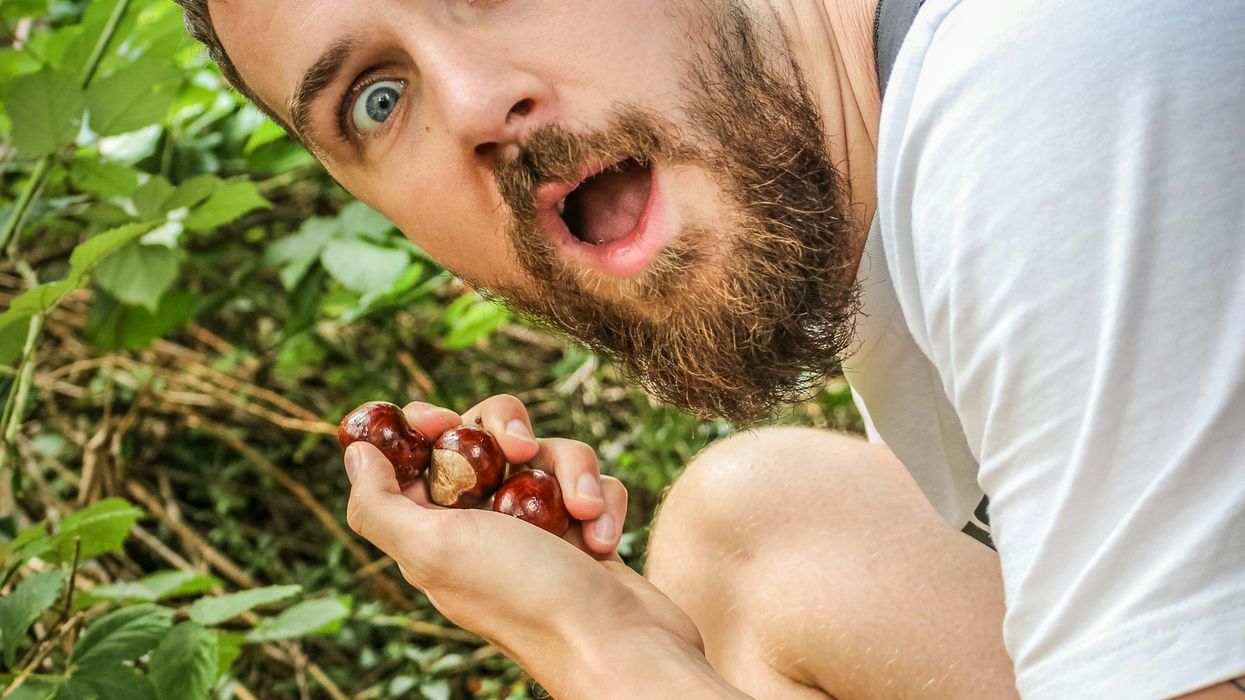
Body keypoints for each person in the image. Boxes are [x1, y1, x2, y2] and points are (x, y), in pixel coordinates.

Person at [174, 0, 1245, 697]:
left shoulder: (1050, 92)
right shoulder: (885, 161)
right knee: (755, 532)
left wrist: (610, 658)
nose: (471, 104)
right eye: (377, 98)